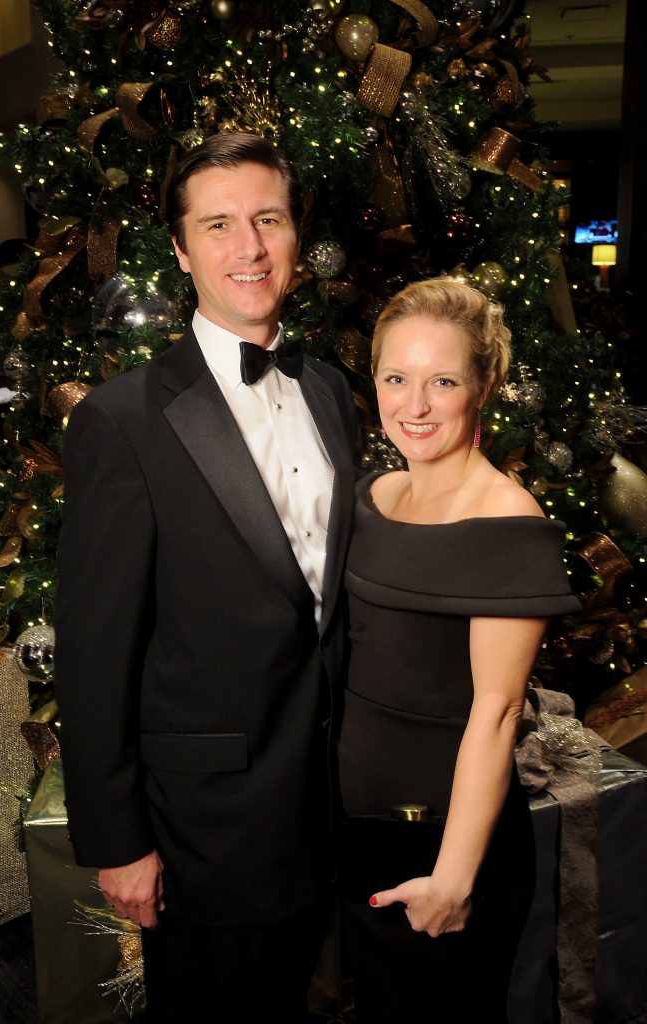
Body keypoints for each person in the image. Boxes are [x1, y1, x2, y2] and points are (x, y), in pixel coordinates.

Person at [54, 132, 361, 1023]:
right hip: (207, 825)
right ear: (183, 250)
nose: (249, 247)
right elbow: (95, 652)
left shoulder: (331, 391)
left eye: (269, 219)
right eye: (218, 225)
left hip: (333, 803)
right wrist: (118, 843)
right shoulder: (121, 421)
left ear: (296, 236)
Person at [335, 276, 580, 1024]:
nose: (413, 405)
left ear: (483, 387)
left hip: (444, 850)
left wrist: (452, 879)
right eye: (395, 378)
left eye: (442, 381)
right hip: (355, 835)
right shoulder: (375, 495)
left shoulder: (507, 523)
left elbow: (497, 712)